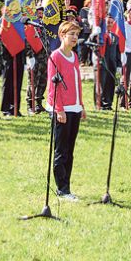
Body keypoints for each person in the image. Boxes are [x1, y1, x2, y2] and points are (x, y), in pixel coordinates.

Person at [47, 21, 86, 200]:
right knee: (61, 150)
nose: (75, 38)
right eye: (72, 34)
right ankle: (61, 188)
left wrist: (82, 105)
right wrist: (59, 110)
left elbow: (77, 83)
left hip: (75, 108)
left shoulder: (75, 56)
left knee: (70, 150)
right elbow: (52, 87)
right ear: (62, 35)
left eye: (77, 35)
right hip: (62, 110)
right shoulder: (55, 57)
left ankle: (67, 186)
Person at [25, 6, 48, 114]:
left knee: (43, 81)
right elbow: (28, 41)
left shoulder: (42, 25)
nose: (40, 14)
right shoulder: (30, 25)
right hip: (34, 57)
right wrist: (30, 56)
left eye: (41, 12)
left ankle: (38, 103)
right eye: (38, 12)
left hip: (44, 57)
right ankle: (30, 105)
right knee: (32, 82)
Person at [95, 16, 120, 110]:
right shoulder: (100, 36)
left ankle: (108, 103)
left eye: (111, 22)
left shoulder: (115, 37)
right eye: (107, 22)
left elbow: (117, 52)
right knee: (102, 84)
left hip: (112, 64)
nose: (109, 24)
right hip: (103, 63)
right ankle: (100, 103)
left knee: (110, 84)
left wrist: (119, 65)